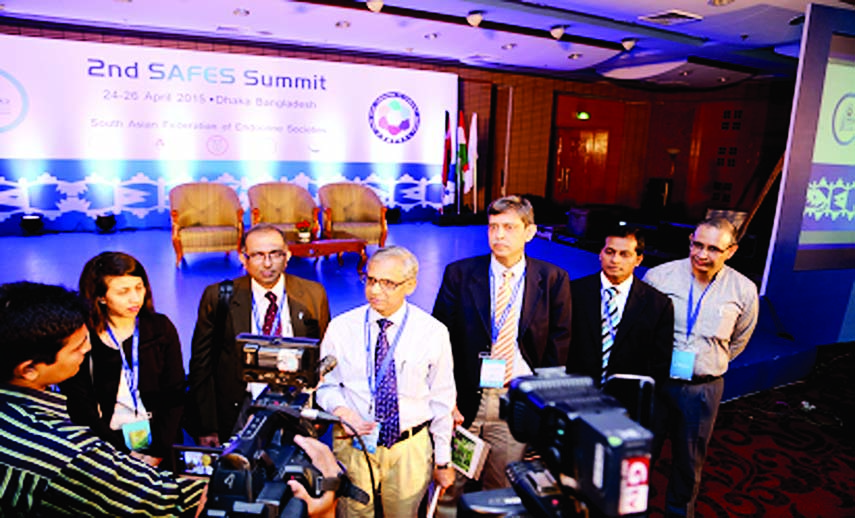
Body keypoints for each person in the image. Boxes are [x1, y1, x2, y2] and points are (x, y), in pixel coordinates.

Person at [0, 281, 206, 516]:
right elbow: (164, 504)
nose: (87, 348)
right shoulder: (67, 452)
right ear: (28, 369)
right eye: (77, 348)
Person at [432, 195, 572, 500]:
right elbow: (438, 340)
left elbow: (558, 347)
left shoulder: (553, 280)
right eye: (493, 227)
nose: (499, 235)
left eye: (509, 227)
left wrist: (539, 405)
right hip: (464, 400)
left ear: (530, 231)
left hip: (515, 402)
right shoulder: (460, 274)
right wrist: (446, 398)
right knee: (449, 488)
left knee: (499, 492)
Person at [316, 246, 456, 517]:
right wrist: (343, 412)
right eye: (370, 280)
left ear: (411, 285)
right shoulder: (342, 328)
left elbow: (442, 399)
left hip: (409, 448)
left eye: (388, 283)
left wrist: (443, 460)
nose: (375, 291)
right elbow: (326, 385)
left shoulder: (432, 332)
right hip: (353, 443)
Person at [643, 217, 759, 518]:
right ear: (690, 240)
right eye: (697, 244)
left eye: (713, 249)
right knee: (640, 456)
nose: (702, 255)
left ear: (731, 251)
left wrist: (708, 365)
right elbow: (641, 329)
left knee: (689, 462)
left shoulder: (744, 291)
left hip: (703, 389)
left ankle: (679, 513)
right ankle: (630, 511)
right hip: (656, 382)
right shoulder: (659, 277)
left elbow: (738, 341)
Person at [187, 223, 331, 447]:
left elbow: (322, 357)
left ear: (288, 256)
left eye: (275, 254)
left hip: (296, 405)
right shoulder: (218, 296)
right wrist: (207, 426)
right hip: (241, 406)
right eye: (257, 255)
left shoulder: (313, 294)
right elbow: (201, 366)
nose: (267, 263)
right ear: (243, 258)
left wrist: (319, 411)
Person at [60, 252, 185, 469]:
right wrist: (125, 454)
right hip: (107, 447)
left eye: (139, 287)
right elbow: (81, 406)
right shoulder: (83, 339)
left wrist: (158, 451)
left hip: (159, 441)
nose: (135, 298)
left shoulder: (160, 328)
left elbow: (174, 394)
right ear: (101, 297)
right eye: (123, 292)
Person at [566, 226, 674, 419]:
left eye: (624, 254)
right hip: (577, 397)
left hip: (627, 403)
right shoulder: (573, 292)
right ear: (600, 253)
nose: (615, 260)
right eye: (610, 252)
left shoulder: (657, 304)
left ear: (638, 260)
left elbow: (659, 362)